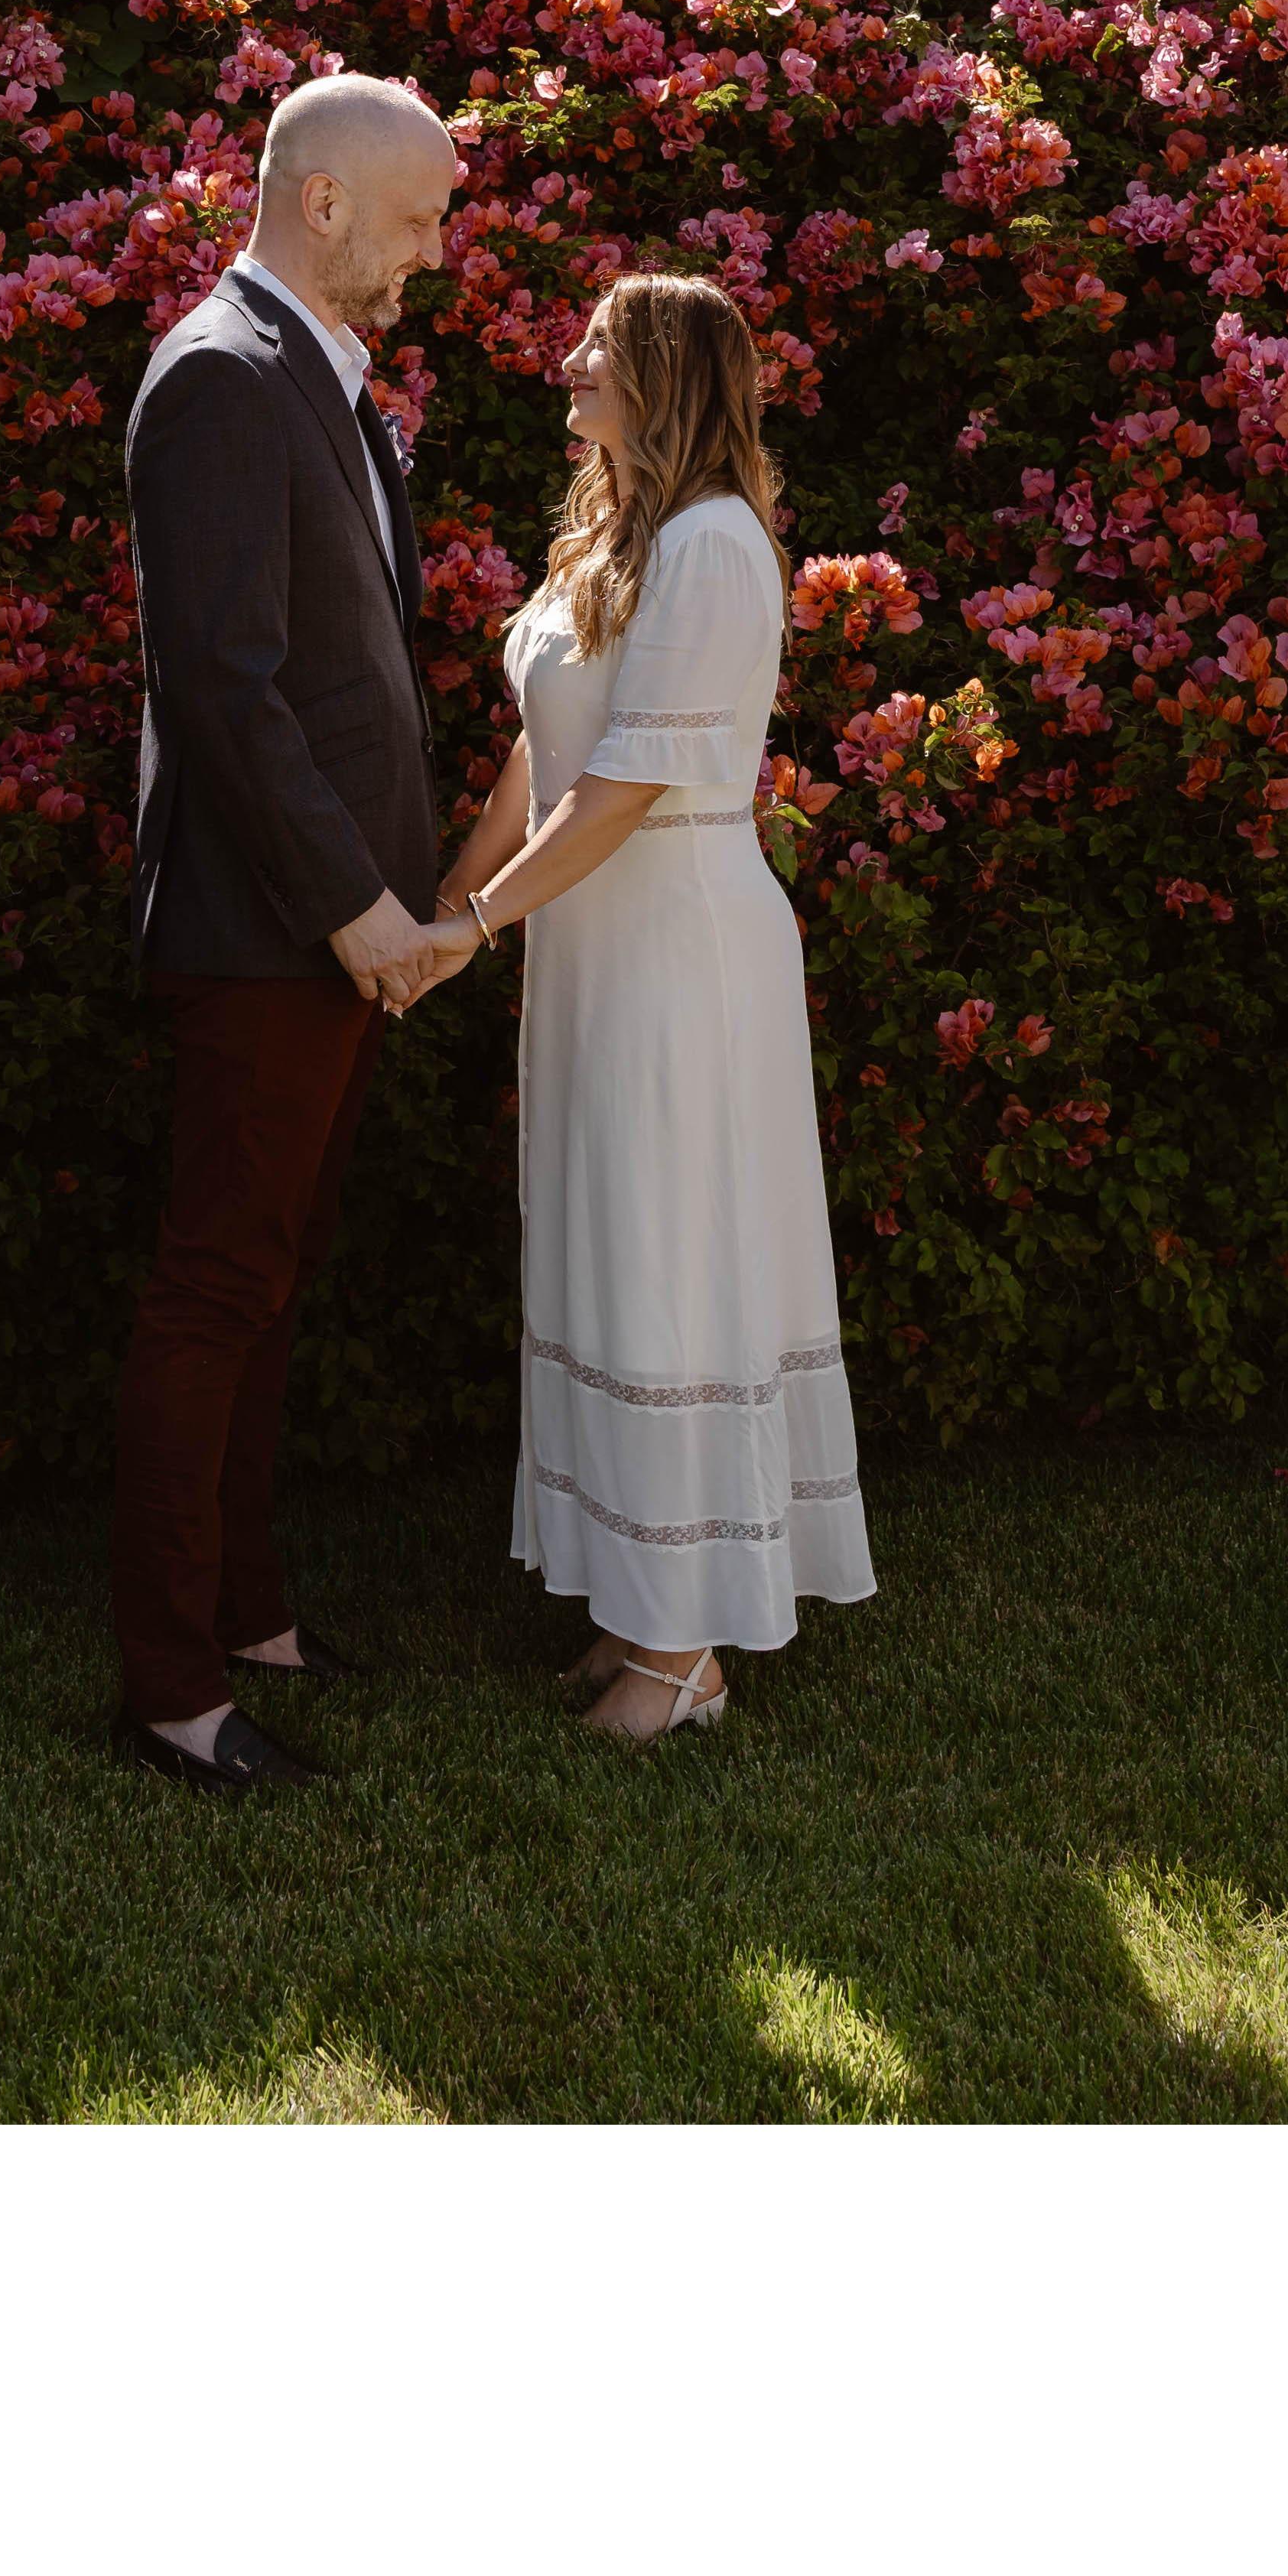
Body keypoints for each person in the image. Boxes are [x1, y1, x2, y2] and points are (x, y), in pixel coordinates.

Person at [434, 268, 873, 1742]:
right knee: (607, 1247)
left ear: (666, 377)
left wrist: (479, 928)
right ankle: (636, 1602)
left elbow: (628, 788)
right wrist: (458, 894)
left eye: (598, 353)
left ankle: (688, 1651)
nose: (567, 366)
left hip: (679, 944)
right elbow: (542, 756)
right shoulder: (607, 538)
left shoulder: (713, 544)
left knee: (674, 1258)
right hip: (592, 943)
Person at [109, 74, 473, 1792]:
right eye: (417, 217)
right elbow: (229, 691)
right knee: (213, 1296)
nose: (432, 252)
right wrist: (358, 910)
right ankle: (175, 1685)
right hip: (274, 936)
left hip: (333, 942)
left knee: (267, 1289)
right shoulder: (221, 378)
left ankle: (250, 1611)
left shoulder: (311, 373)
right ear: (318, 200)